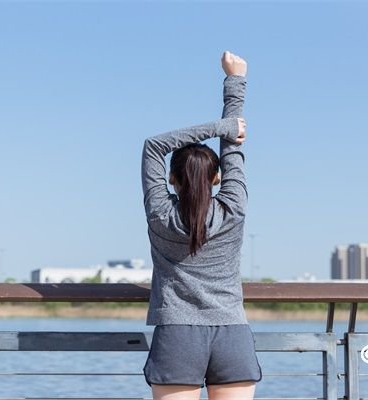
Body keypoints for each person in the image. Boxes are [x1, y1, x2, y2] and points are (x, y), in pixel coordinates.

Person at [140, 51, 262, 400]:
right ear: (218, 178)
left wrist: (219, 127)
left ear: (172, 178)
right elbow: (233, 145)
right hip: (231, 333)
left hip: (177, 334)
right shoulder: (232, 208)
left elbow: (153, 146)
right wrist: (235, 83)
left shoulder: (161, 214)